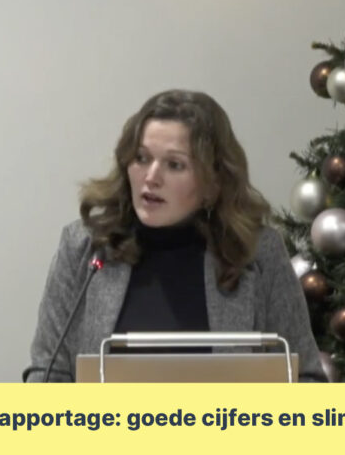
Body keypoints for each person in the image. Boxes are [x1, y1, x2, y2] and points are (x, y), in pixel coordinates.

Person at [22, 90, 326, 382]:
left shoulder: (256, 251)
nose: (151, 177)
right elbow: (47, 376)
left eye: (174, 164)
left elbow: (306, 378)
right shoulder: (85, 246)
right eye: (141, 158)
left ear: (213, 183)